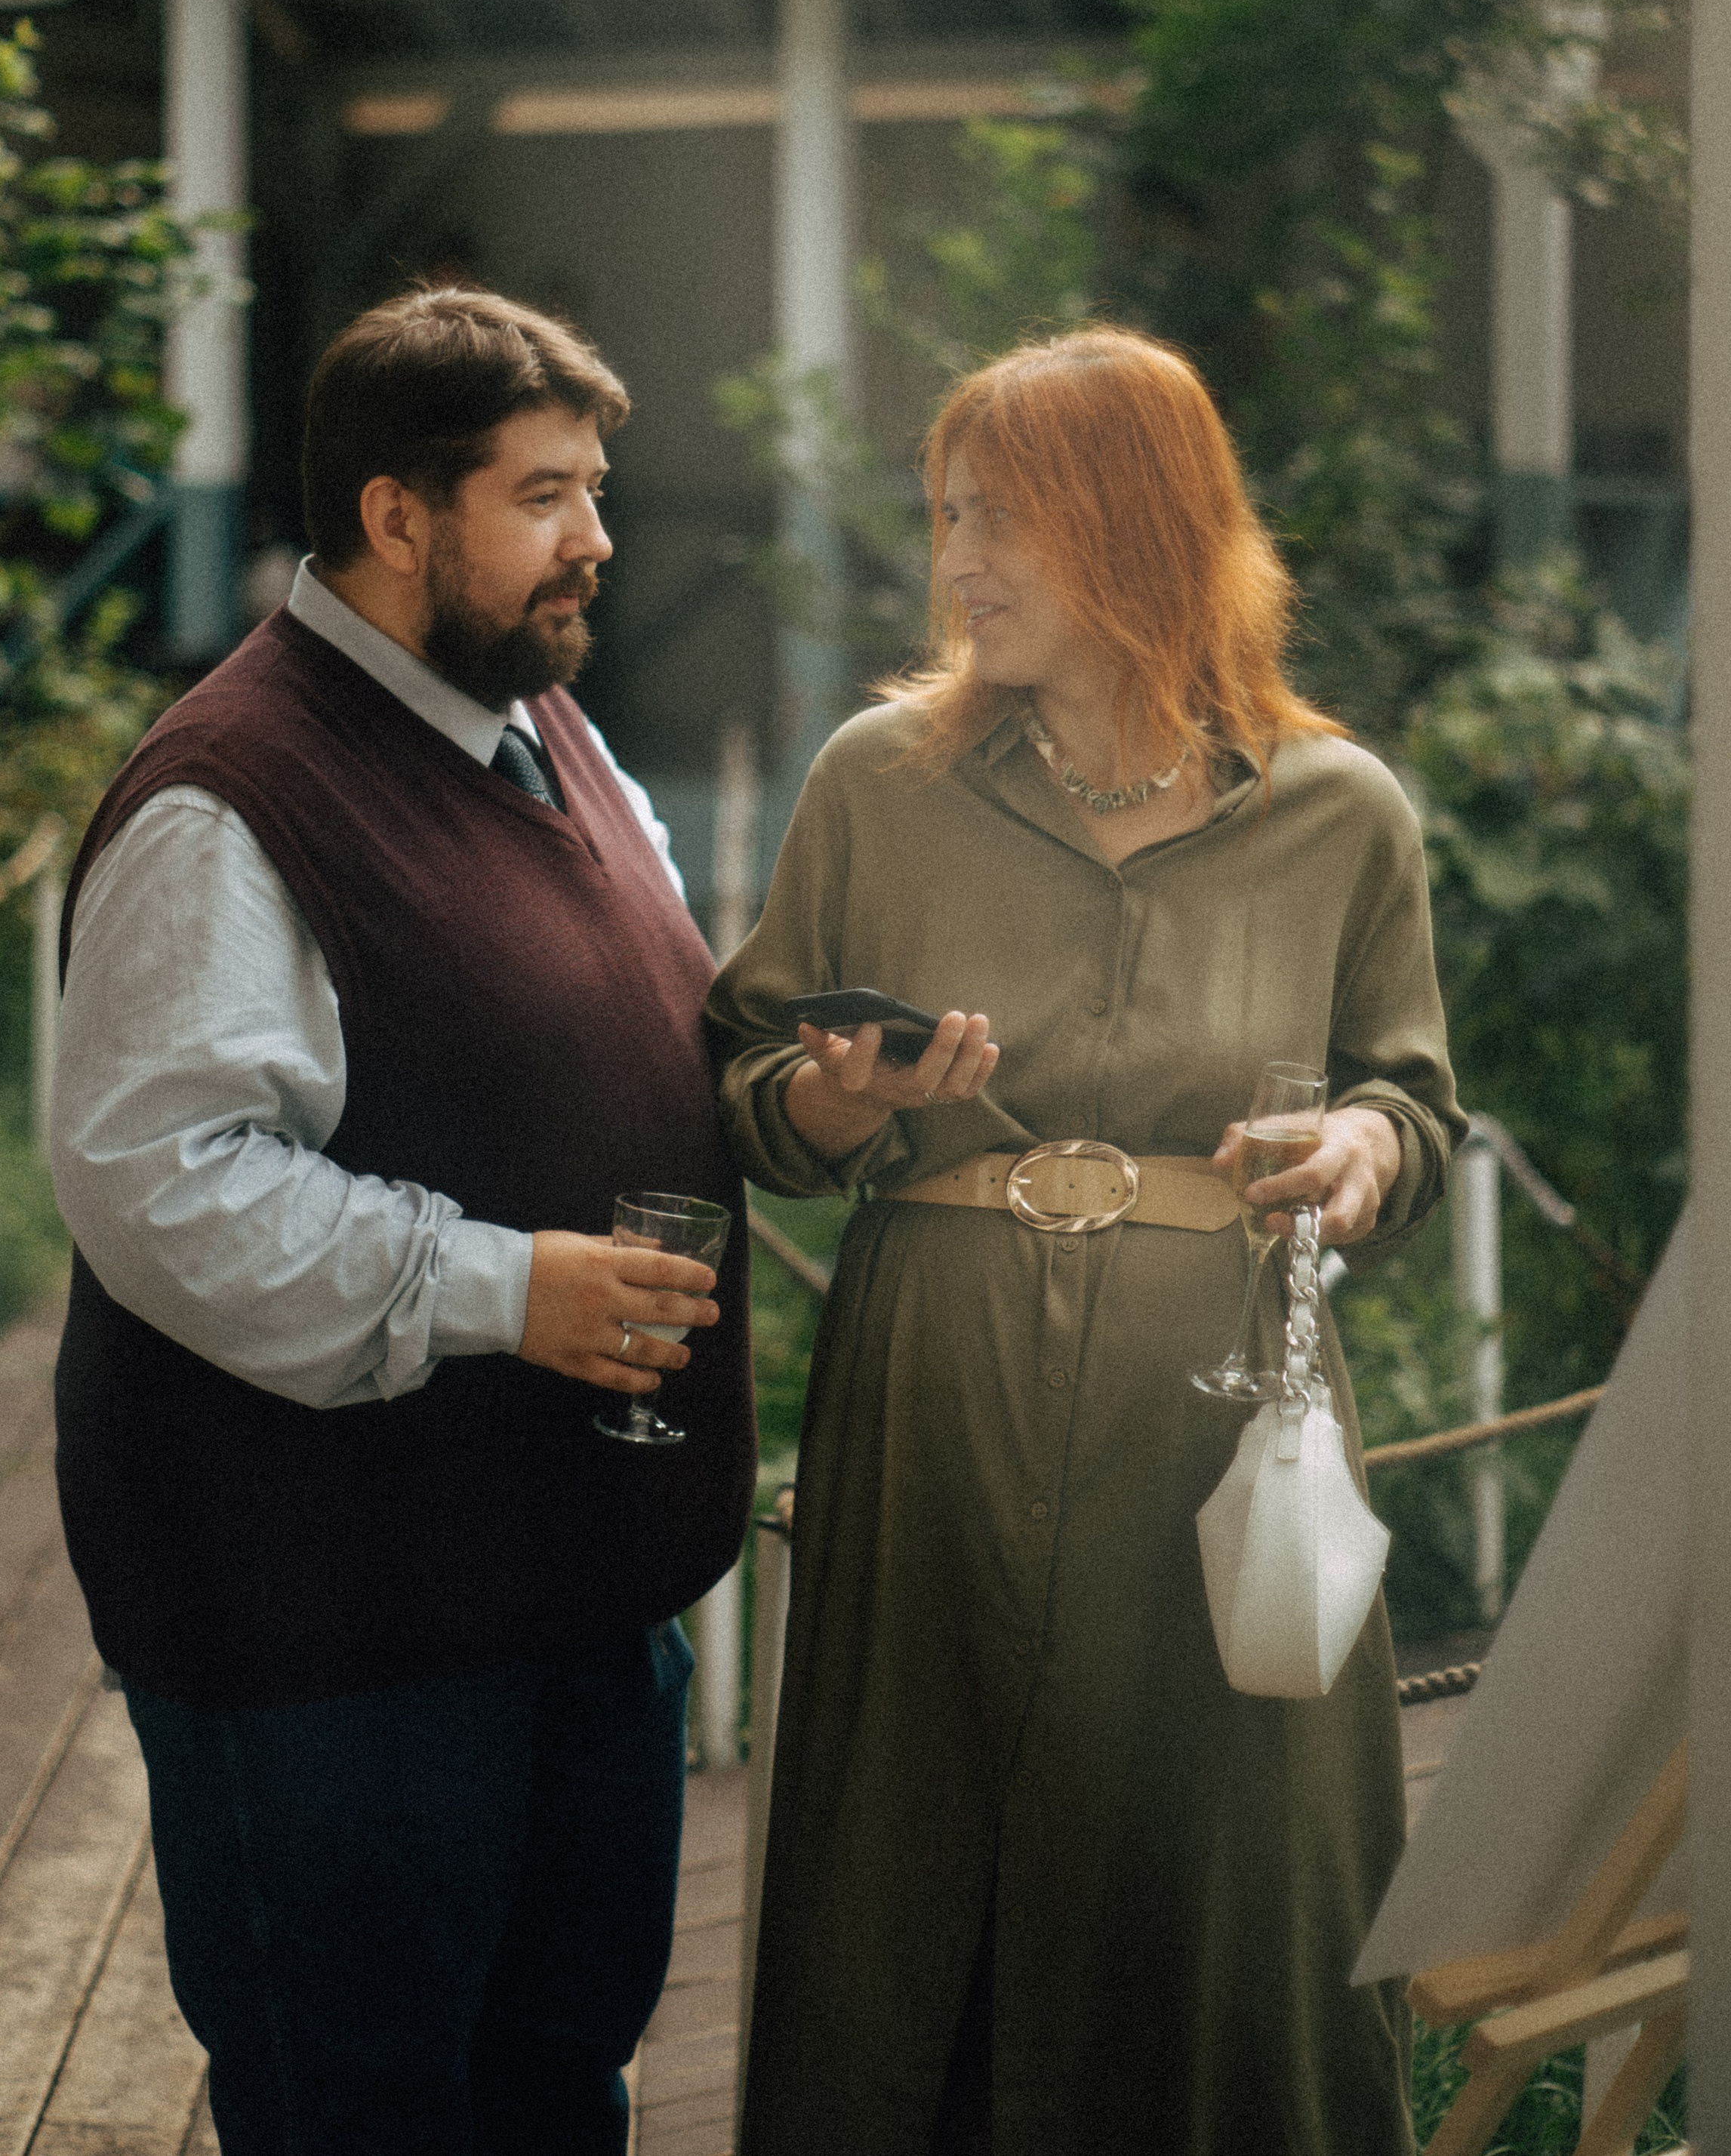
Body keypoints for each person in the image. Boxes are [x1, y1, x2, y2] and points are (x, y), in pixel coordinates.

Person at [710, 327, 1464, 2156]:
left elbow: (1411, 1100)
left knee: (1230, 1884)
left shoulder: (1338, 811)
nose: (956, 562)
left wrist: (1360, 1150)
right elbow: (744, 1078)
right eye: (946, 515)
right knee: (910, 1875)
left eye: (1000, 520)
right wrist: (841, 1103)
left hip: (1221, 1429)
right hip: (933, 1414)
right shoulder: (875, 782)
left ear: (1133, 525)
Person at [50, 283, 755, 2156]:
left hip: (563, 1594)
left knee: (556, 2096)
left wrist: (805, 1094)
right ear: (394, 514)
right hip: (334, 1642)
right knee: (359, 2115)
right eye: (541, 495)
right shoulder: (228, 802)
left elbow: (625, 1022)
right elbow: (162, 1182)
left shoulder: (547, 732)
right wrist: (504, 1289)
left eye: (594, 489)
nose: (596, 538)